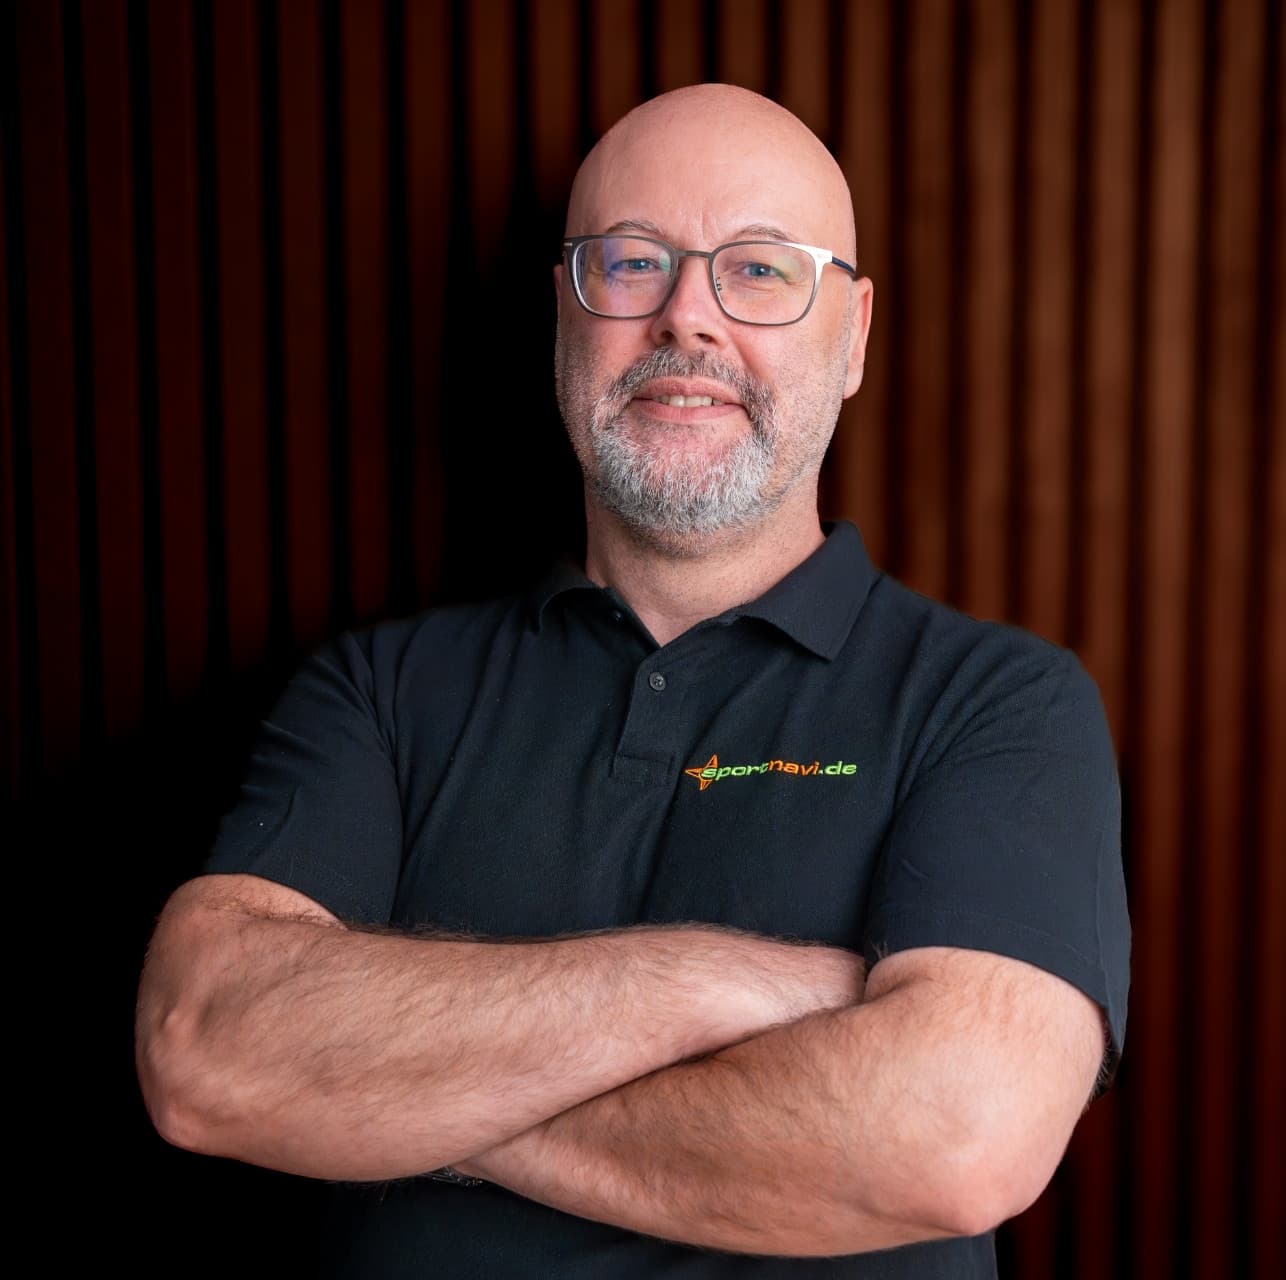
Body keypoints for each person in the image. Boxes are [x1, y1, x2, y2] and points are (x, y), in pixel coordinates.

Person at [135, 84, 1130, 1278]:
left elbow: (954, 1139)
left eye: (757, 269)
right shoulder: (381, 690)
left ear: (853, 336)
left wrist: (401, 1098)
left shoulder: (999, 703)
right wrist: (723, 984)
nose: (685, 319)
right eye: (630, 262)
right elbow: (204, 1050)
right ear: (565, 311)